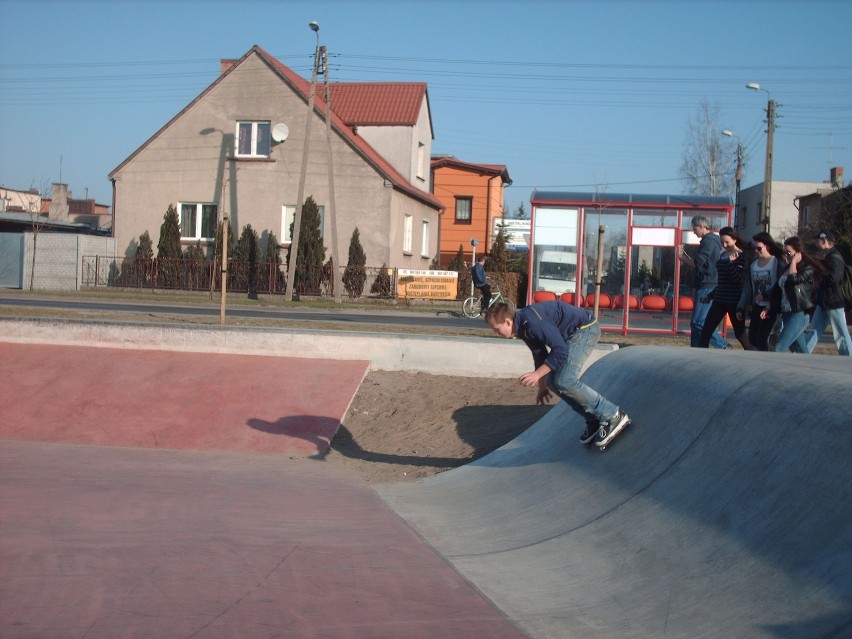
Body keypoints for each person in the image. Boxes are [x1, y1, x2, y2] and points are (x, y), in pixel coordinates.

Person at [483, 300, 631, 449]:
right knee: (553, 382)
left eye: (496, 329)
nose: (496, 333)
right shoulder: (522, 327)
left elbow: (560, 350)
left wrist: (536, 375)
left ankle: (612, 414)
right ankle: (593, 418)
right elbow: (540, 355)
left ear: (508, 322)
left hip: (585, 329)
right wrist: (542, 385)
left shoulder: (532, 323)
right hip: (571, 336)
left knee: (565, 380)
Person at [678, 216, 729, 349]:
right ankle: (697, 349)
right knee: (696, 323)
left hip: (707, 284)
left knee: (698, 322)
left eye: (695, 229)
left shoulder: (708, 242)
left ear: (702, 226)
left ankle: (722, 345)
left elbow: (699, 263)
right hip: (708, 283)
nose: (694, 232)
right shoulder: (714, 241)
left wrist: (682, 258)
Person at [801, 229, 852, 356]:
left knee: (840, 332)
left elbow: (835, 278)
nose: (816, 243)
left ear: (825, 240)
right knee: (814, 330)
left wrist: (820, 277)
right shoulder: (827, 256)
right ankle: (804, 353)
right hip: (825, 301)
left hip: (834, 301)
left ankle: (848, 356)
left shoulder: (834, 257)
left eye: (818, 240)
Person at [698, 227, 750, 349]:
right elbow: (722, 282)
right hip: (720, 300)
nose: (724, 245)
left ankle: (756, 353)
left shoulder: (741, 256)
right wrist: (710, 296)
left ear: (735, 240)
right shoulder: (723, 256)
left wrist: (730, 264)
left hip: (734, 301)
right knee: (706, 330)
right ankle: (700, 356)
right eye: (722, 242)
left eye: (727, 242)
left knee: (740, 334)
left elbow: (738, 280)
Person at [737, 232, 784, 351]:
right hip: (757, 306)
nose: (756, 251)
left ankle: (768, 359)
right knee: (752, 338)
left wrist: (771, 302)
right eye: (755, 249)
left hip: (771, 306)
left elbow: (780, 285)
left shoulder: (777, 263)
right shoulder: (753, 265)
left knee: (761, 338)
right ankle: (772, 354)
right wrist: (741, 307)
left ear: (768, 246)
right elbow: (748, 288)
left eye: (759, 248)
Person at [772, 236, 818, 353]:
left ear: (798, 253)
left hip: (798, 313)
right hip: (786, 313)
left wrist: (793, 262)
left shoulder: (807, 269)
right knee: (800, 350)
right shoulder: (787, 268)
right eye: (784, 253)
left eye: (789, 253)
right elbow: (778, 287)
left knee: (779, 348)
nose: (786, 256)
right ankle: (810, 370)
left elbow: (794, 280)